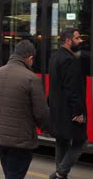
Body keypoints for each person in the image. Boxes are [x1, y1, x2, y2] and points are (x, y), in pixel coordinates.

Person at [0, 40, 49, 179]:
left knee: (10, 173)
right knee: (15, 175)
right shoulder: (31, 78)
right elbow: (41, 113)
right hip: (21, 140)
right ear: (30, 58)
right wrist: (48, 129)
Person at [48, 28, 87, 179]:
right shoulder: (70, 60)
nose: (80, 41)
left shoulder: (55, 57)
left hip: (58, 110)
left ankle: (60, 176)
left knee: (62, 142)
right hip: (70, 112)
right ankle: (60, 172)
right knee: (80, 142)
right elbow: (73, 90)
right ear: (68, 41)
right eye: (77, 38)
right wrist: (78, 112)